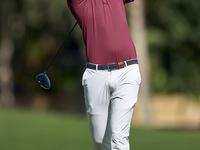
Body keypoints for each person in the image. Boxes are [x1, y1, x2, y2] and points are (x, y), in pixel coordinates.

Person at [67, 0, 141, 150]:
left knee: (119, 137)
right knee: (99, 141)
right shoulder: (79, 4)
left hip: (127, 71)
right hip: (96, 75)